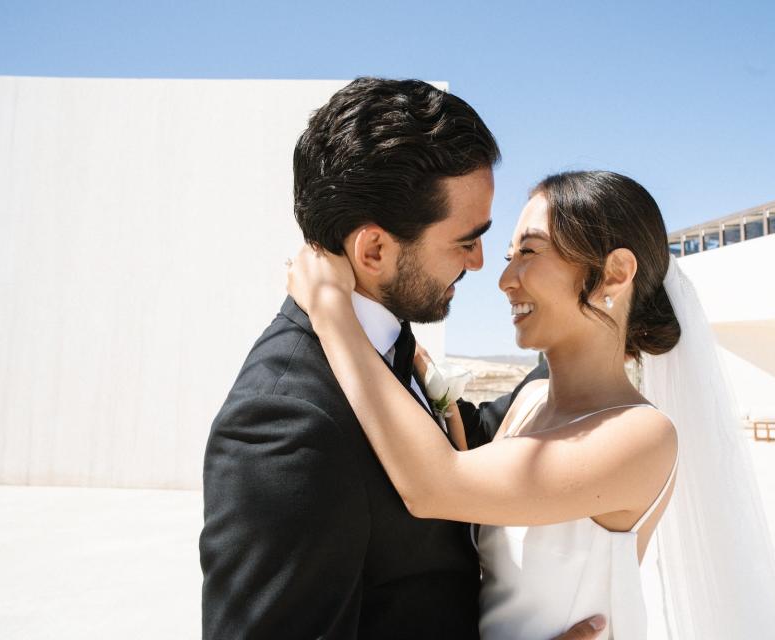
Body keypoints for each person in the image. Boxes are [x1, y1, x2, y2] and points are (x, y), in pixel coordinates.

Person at [286, 171, 775, 639]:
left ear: (615, 273)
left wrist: (332, 310)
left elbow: (435, 485)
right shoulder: (530, 399)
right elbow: (474, 489)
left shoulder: (641, 435)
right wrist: (417, 371)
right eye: (511, 256)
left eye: (529, 252)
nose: (506, 279)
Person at [199, 77, 603, 640]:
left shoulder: (391, 343)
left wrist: (582, 339)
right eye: (465, 240)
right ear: (374, 250)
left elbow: (462, 435)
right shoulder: (285, 422)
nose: (483, 263)